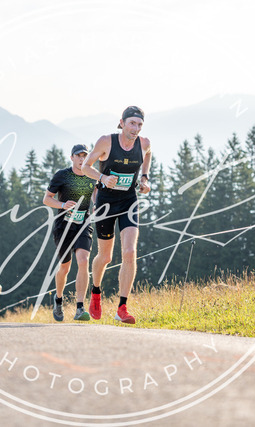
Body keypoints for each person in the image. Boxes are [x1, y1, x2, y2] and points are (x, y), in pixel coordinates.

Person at [81, 106, 151, 324]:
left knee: (129, 252)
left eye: (139, 125)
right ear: (122, 123)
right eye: (132, 123)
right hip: (105, 203)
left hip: (129, 201)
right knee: (105, 257)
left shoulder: (144, 143)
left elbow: (148, 154)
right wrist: (102, 178)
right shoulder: (106, 142)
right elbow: (85, 167)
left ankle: (122, 308)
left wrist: (145, 178)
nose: (136, 129)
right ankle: (95, 292)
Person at [43, 144, 96, 322]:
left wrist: (97, 204)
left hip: (83, 223)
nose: (81, 159)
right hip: (63, 225)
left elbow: (96, 194)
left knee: (83, 260)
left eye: (84, 156)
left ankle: (80, 308)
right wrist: (62, 205)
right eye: (78, 156)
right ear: (71, 157)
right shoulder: (62, 175)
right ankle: (58, 299)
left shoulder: (92, 175)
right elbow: (47, 199)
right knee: (65, 266)